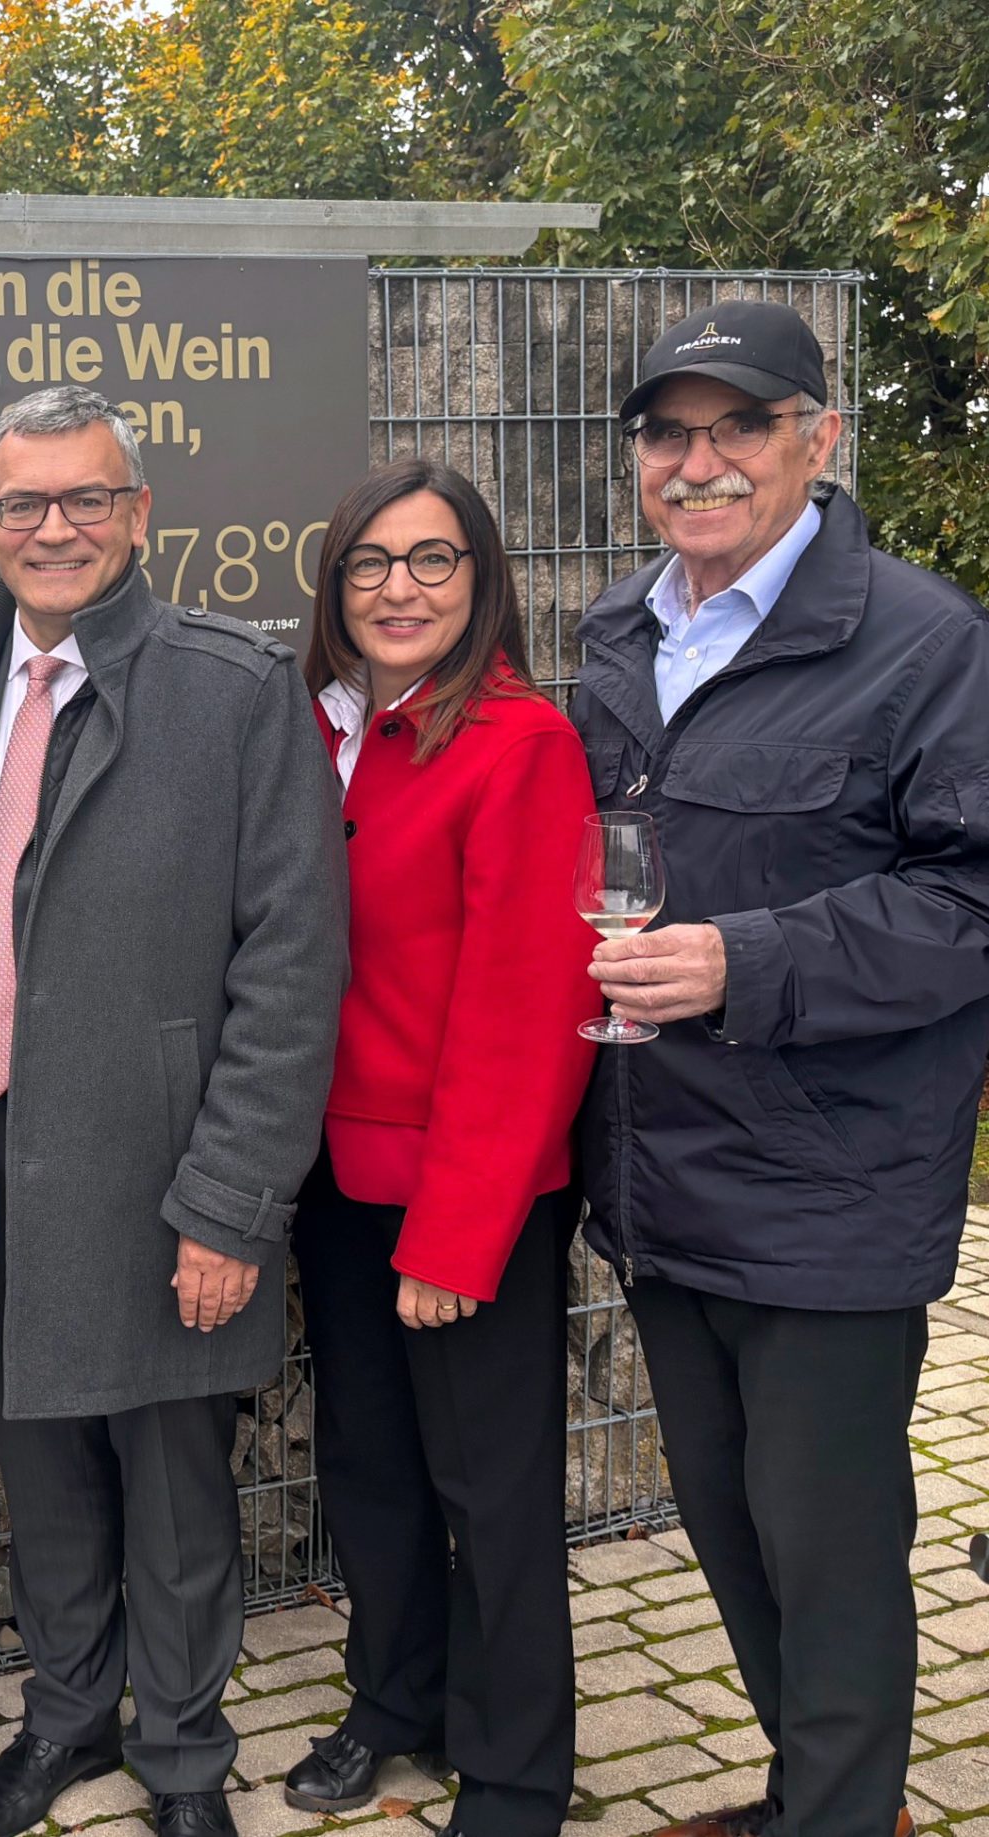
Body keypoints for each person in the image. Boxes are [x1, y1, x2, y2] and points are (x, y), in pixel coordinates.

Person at [0, 384, 349, 1837]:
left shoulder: (232, 689)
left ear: (139, 515)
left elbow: (292, 961)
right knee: (51, 1484)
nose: (56, 527)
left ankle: (187, 1759)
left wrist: (231, 1202)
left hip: (162, 1186)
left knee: (174, 1499)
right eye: (24, 503)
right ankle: (67, 1724)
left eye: (88, 498)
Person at [574, 300, 989, 1837]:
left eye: (738, 426)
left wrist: (749, 962)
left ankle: (838, 1806)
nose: (699, 462)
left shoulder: (923, 643)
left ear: (818, 439)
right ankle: (821, 1799)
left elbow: (969, 902)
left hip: (830, 1188)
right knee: (734, 1534)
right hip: (666, 1178)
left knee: (829, 1548)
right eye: (669, 434)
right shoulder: (623, 632)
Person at [278, 461, 599, 1837]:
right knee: (370, 1466)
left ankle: (519, 1768)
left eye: (433, 560)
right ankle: (395, 1702)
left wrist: (459, 1233)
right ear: (334, 584)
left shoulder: (521, 742)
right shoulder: (317, 727)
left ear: (482, 584)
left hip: (465, 1189)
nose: (398, 588)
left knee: (496, 1487)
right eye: (370, 563)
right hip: (335, 1180)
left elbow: (529, 1008)